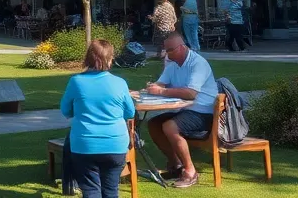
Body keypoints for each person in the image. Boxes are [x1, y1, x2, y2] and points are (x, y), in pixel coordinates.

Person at [141, 32, 219, 188]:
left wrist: (161, 92)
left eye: (170, 50)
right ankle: (176, 165)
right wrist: (154, 87)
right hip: (184, 110)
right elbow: (161, 83)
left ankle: (191, 172)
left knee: (170, 126)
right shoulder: (172, 64)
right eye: (166, 50)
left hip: (203, 112)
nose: (167, 54)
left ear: (182, 48)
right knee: (153, 124)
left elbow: (191, 93)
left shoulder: (198, 64)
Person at [60, 39, 136, 198]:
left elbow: (65, 110)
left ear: (88, 57)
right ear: (110, 59)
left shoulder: (76, 81)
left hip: (85, 144)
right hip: (115, 144)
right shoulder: (120, 83)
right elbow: (130, 113)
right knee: (111, 190)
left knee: (91, 190)